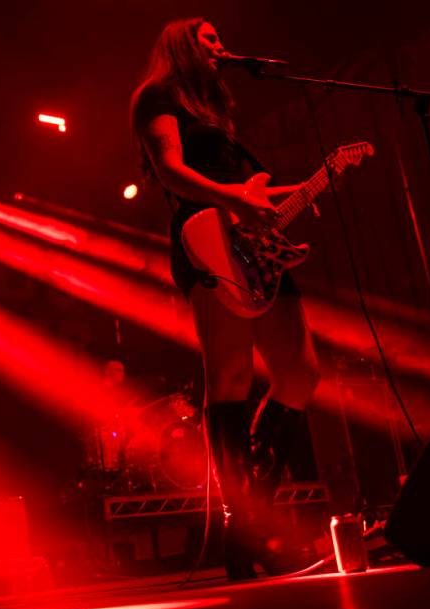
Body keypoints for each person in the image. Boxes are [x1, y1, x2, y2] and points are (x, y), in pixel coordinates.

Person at [130, 17, 321, 579]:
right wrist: (234, 202)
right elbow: (170, 170)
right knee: (232, 376)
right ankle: (245, 529)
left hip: (253, 242)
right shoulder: (157, 97)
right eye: (208, 40)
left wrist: (311, 184)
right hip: (208, 237)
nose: (221, 48)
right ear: (181, 45)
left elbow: (248, 189)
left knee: (301, 372)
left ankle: (252, 499)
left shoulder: (217, 111)